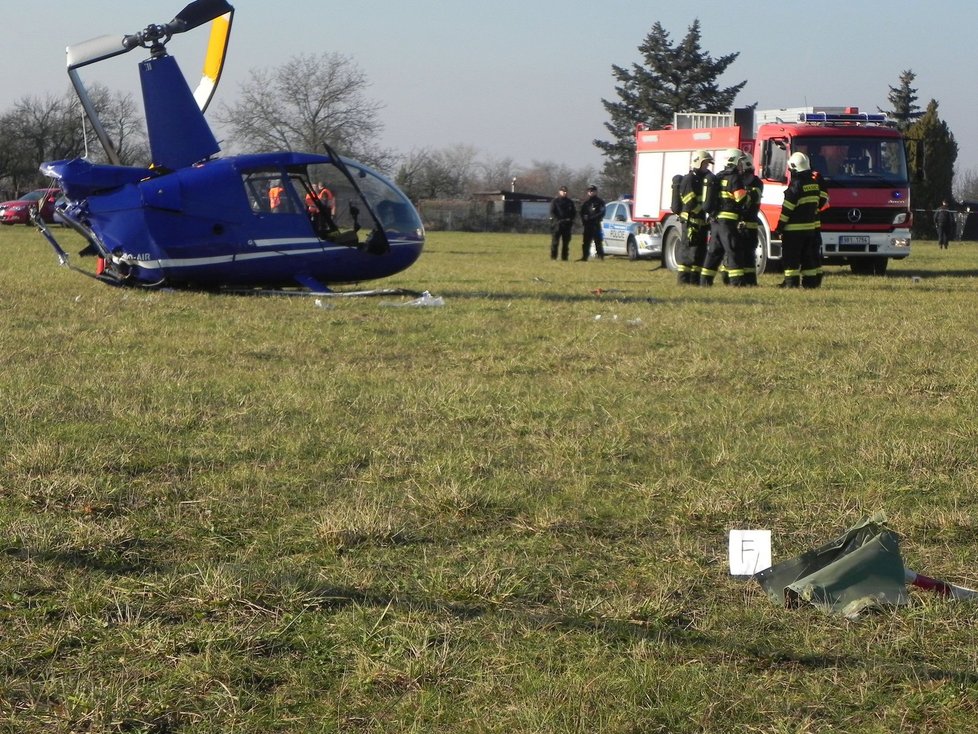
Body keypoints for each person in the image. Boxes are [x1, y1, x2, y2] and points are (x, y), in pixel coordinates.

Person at [776, 152, 829, 288]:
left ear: (794, 168)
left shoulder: (795, 186)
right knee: (808, 258)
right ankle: (810, 283)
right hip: (810, 229)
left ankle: (791, 284)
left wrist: (780, 227)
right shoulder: (813, 183)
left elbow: (787, 210)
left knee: (791, 258)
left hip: (793, 231)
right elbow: (819, 202)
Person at [699, 148, 747, 286]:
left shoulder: (718, 176)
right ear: (734, 161)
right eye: (740, 162)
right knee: (733, 251)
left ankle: (705, 282)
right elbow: (740, 199)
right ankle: (737, 283)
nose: (741, 165)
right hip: (729, 222)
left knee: (713, 252)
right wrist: (749, 196)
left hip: (716, 222)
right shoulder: (735, 178)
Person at [677, 150, 714, 284]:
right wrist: (702, 211)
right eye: (705, 164)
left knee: (699, 253)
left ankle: (695, 281)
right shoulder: (689, 179)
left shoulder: (702, 179)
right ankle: (683, 281)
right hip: (690, 222)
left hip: (700, 222)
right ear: (698, 162)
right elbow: (689, 201)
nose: (707, 167)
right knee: (688, 253)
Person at [737, 154, 763, 286]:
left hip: (749, 225)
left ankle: (750, 281)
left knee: (748, 255)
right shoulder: (738, 180)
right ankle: (734, 280)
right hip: (738, 225)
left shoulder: (755, 182)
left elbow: (748, 199)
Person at [578, 185, 606, 261]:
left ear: (596, 192)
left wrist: (591, 218)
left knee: (598, 241)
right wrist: (584, 220)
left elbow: (602, 213)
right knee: (586, 242)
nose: (590, 192)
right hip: (587, 225)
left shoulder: (600, 202)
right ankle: (584, 257)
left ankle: (600, 257)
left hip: (596, 225)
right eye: (589, 191)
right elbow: (581, 213)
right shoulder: (586, 202)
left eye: (592, 191)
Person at [548, 186, 576, 260]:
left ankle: (564, 258)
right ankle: (553, 257)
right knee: (555, 243)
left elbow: (573, 213)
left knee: (566, 243)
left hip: (567, 225)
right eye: (563, 191)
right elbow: (552, 212)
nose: (565, 192)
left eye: (566, 191)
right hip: (557, 225)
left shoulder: (570, 202)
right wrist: (557, 220)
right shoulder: (555, 201)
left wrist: (570, 220)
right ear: (559, 192)